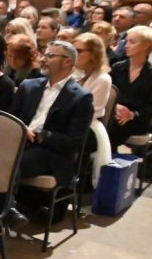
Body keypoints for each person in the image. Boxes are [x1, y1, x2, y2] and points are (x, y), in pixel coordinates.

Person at [7, 41, 94, 225]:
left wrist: (41, 135)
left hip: (51, 153)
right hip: (20, 142)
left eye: (50, 56)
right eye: (44, 55)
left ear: (67, 62)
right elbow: (10, 118)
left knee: (10, 162)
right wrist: (23, 128)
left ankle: (5, 210)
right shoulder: (29, 85)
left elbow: (72, 142)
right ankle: (6, 210)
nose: (44, 60)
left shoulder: (81, 97)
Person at [73, 33, 113, 185]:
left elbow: (94, 110)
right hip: (72, 120)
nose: (75, 54)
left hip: (89, 125)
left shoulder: (103, 78)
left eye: (80, 51)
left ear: (93, 54)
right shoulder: (74, 73)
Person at [108, 26, 152, 151]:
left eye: (132, 42)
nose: (127, 45)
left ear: (146, 46)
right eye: (127, 41)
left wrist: (132, 115)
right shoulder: (117, 67)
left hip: (137, 120)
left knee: (111, 129)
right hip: (114, 113)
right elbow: (107, 92)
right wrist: (115, 106)